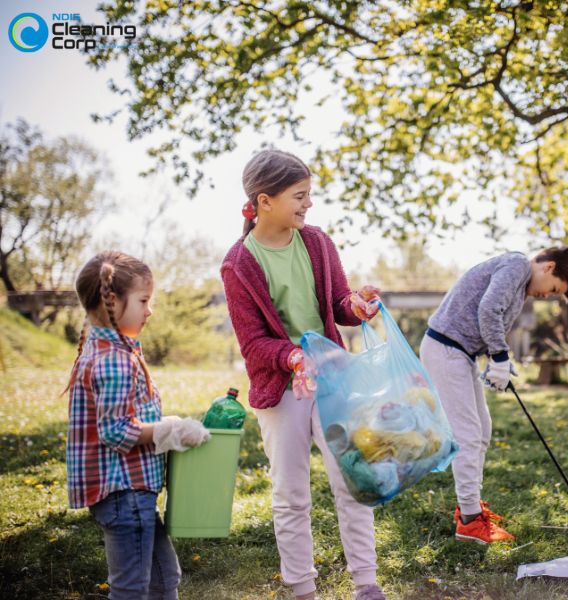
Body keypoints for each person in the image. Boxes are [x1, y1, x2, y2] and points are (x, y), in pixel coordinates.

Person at [220, 149, 385, 600]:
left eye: (309, 194)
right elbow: (253, 342)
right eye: (299, 195)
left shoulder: (316, 242)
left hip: (332, 376)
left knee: (352, 480)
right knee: (292, 494)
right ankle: (302, 588)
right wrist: (292, 357)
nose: (308, 204)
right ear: (264, 199)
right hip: (283, 388)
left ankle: (366, 584)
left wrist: (356, 306)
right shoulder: (239, 263)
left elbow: (337, 305)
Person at [66, 251, 210, 599]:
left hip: (130, 495)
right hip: (125, 494)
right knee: (131, 588)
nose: (150, 310)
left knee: (164, 577)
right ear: (112, 301)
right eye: (144, 300)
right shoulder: (114, 360)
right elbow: (115, 431)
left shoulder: (105, 348)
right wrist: (170, 432)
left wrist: (165, 423)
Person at [419, 247, 568, 544]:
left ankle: (470, 506)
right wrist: (499, 355)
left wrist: (495, 363)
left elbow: (485, 317)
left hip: (461, 353)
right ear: (548, 267)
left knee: (482, 430)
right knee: (468, 435)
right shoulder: (518, 265)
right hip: (445, 349)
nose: (548, 296)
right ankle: (469, 522)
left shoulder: (520, 285)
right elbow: (488, 309)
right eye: (554, 289)